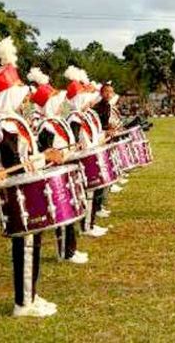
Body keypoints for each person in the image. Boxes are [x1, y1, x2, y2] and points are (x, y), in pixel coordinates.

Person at [0, 37, 63, 318]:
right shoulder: (5, 126)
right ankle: (23, 302)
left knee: (32, 243)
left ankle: (30, 294)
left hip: (26, 192)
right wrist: (46, 157)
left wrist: (45, 156)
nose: (25, 97)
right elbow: (14, 165)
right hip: (17, 194)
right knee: (27, 245)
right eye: (19, 92)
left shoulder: (12, 122)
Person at [27, 67, 89, 265]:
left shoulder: (58, 121)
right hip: (55, 174)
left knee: (69, 211)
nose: (62, 105)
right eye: (58, 102)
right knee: (63, 213)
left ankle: (71, 249)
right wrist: (56, 157)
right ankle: (65, 252)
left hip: (65, 170)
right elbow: (44, 152)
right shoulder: (46, 125)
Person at [65, 66, 109, 238]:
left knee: (91, 193)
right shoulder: (74, 118)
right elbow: (76, 143)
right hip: (82, 162)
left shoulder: (83, 115)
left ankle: (89, 224)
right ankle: (86, 226)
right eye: (84, 98)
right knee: (87, 194)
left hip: (89, 158)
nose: (88, 101)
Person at [94, 82, 128, 192]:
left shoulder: (107, 105)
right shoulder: (99, 107)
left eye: (111, 92)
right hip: (102, 138)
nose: (109, 94)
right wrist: (107, 129)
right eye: (106, 92)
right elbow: (98, 125)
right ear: (101, 93)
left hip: (107, 136)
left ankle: (112, 182)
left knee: (111, 158)